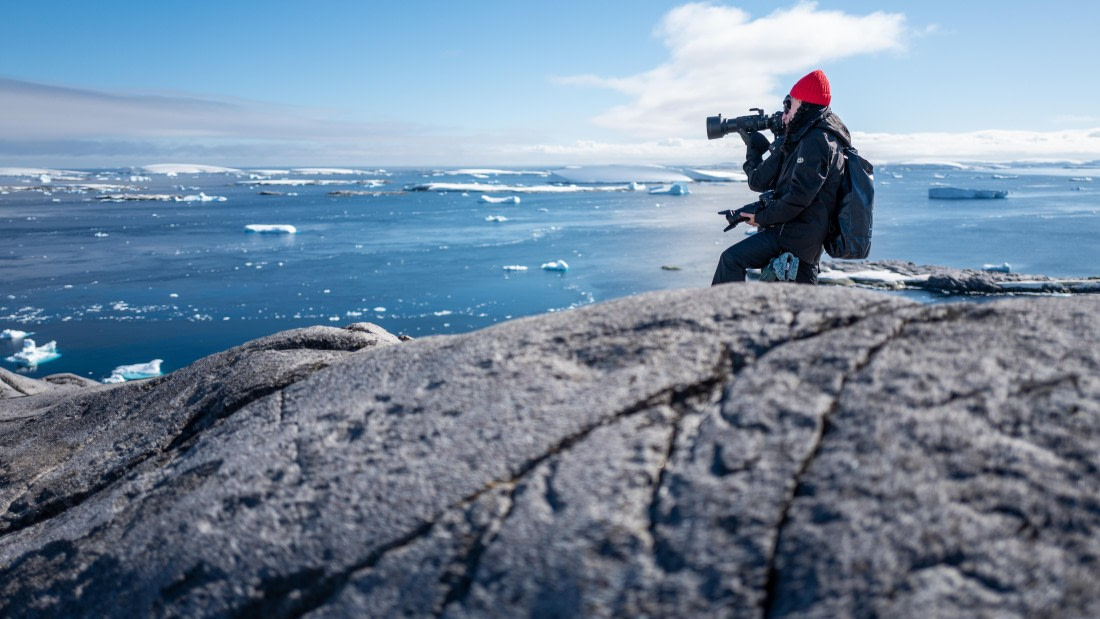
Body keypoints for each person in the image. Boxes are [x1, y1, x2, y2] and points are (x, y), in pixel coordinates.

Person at [712, 69, 853, 285]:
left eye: (789, 104)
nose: (784, 112)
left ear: (805, 104)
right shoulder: (808, 136)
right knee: (792, 304)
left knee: (732, 260)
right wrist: (763, 147)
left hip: (796, 239)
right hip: (794, 235)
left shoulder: (817, 140)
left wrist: (760, 218)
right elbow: (764, 182)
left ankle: (726, 317)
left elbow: (798, 197)